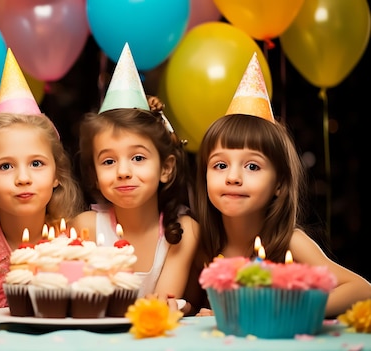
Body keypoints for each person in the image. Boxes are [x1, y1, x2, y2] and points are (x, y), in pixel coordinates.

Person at [190, 53, 371, 317]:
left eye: (252, 166)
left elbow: (362, 289)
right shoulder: (201, 245)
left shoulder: (290, 241)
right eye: (220, 165)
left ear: (279, 184)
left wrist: (285, 310)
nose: (233, 177)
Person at [0, 49, 85, 321]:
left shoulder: (73, 234)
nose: (23, 178)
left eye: (36, 163)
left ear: (57, 174)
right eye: (5, 166)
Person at [70, 43, 199, 311]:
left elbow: (161, 308)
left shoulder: (183, 232)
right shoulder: (85, 228)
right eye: (108, 161)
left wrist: (181, 307)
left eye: (138, 158)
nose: (124, 171)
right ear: (94, 174)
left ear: (166, 168)